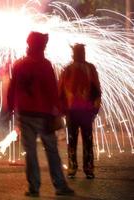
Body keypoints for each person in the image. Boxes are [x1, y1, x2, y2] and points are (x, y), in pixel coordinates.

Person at [7, 31, 74, 197]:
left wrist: (10, 107)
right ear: (41, 46)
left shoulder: (19, 64)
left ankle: (33, 187)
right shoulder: (45, 65)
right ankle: (59, 185)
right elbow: (53, 90)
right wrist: (59, 109)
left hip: (24, 113)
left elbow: (12, 88)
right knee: (51, 150)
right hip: (44, 115)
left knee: (30, 152)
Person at [58, 44, 101, 179]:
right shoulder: (90, 68)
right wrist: (95, 108)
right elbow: (97, 90)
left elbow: (60, 91)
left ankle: (73, 167)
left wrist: (62, 109)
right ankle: (87, 168)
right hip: (84, 111)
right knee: (86, 140)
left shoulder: (68, 69)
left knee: (73, 140)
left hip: (74, 111)